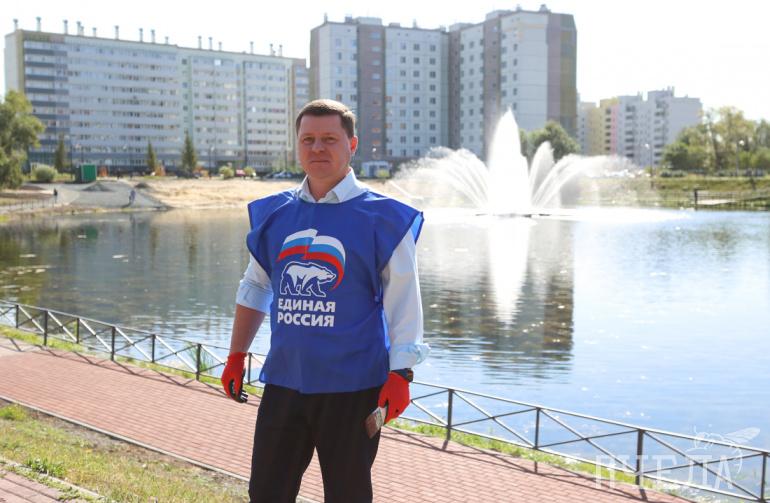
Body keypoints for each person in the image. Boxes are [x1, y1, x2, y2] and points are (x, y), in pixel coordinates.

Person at [221, 99, 429, 503]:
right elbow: (255, 287)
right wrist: (236, 354)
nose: (317, 148)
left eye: (329, 139)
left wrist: (401, 373)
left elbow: (403, 300)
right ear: (297, 145)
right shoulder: (275, 214)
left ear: (352, 144)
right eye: (308, 139)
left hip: (354, 388)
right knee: (266, 493)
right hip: (284, 382)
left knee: (348, 495)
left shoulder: (384, 218)